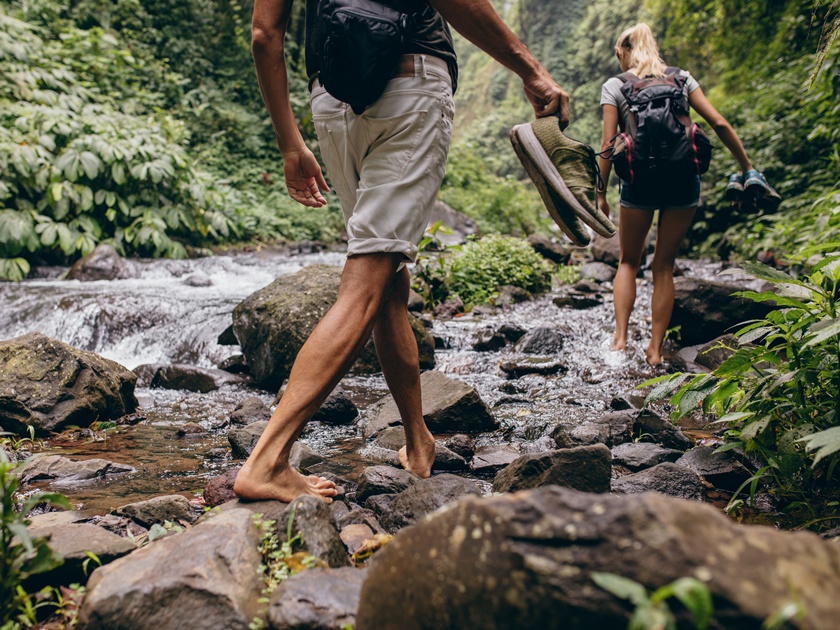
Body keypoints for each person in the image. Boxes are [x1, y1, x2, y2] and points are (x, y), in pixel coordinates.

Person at [234, 0, 569, 503]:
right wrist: (531, 70)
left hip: (332, 95)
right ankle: (268, 460)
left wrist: (289, 142)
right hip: (408, 82)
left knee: (388, 281)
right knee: (367, 282)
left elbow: (265, 34)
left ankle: (417, 442)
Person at [597, 23, 761, 367]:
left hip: (639, 183)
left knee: (628, 261)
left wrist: (600, 194)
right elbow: (719, 123)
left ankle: (619, 343)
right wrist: (747, 167)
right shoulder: (682, 79)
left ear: (624, 52)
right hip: (683, 182)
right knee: (663, 266)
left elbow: (607, 146)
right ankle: (655, 352)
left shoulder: (616, 85)